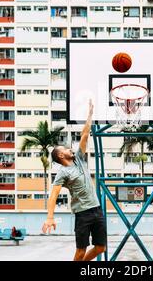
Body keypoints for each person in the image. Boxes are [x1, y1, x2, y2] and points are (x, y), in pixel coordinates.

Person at [42, 100, 107, 261]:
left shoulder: (79, 159)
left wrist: (90, 115)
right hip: (82, 214)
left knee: (101, 247)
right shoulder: (62, 173)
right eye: (65, 149)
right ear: (61, 155)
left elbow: (85, 135)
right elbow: (54, 195)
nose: (70, 148)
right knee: (80, 252)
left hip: (97, 210)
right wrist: (50, 217)